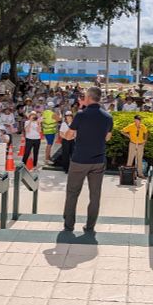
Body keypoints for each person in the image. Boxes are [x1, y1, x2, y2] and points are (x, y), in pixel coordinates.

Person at [62, 87, 113, 233]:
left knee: (72, 192)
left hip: (80, 160)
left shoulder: (81, 115)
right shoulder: (108, 117)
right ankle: (90, 225)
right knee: (95, 194)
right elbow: (107, 138)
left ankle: (69, 224)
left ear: (89, 97)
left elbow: (69, 136)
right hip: (98, 160)